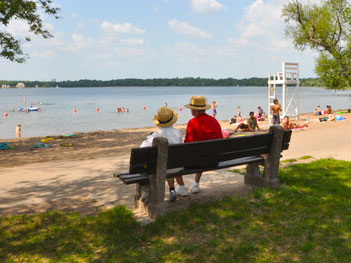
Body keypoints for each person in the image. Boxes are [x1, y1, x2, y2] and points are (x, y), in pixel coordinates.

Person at [140, 106, 188, 201]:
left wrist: (148, 138)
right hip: (177, 166)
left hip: (162, 168)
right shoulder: (177, 133)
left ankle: (146, 191)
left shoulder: (155, 136)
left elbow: (142, 149)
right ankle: (172, 190)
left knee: (147, 164)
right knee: (168, 162)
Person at [183, 95, 223, 194]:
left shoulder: (192, 122)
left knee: (197, 154)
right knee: (202, 152)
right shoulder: (214, 121)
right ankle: (195, 183)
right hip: (214, 160)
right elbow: (221, 140)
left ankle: (180, 186)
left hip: (198, 161)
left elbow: (187, 145)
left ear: (193, 110)